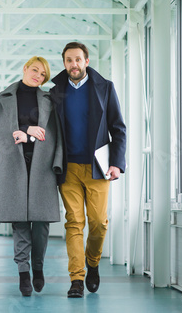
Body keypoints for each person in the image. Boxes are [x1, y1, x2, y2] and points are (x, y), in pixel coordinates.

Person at [0, 56, 63, 297]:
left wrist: (58, 164)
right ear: (25, 68)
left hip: (42, 167)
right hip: (13, 165)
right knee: (20, 223)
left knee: (41, 224)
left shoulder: (49, 100)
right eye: (35, 70)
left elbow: (56, 134)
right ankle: (23, 273)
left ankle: (38, 268)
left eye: (43, 74)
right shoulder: (3, 99)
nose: (38, 76)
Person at [50, 42, 127, 298]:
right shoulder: (54, 92)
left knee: (99, 223)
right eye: (69, 60)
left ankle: (92, 262)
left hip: (98, 167)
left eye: (78, 60)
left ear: (87, 61)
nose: (74, 64)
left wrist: (117, 163)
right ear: (64, 63)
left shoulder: (105, 88)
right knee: (74, 223)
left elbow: (118, 128)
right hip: (68, 167)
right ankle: (76, 278)